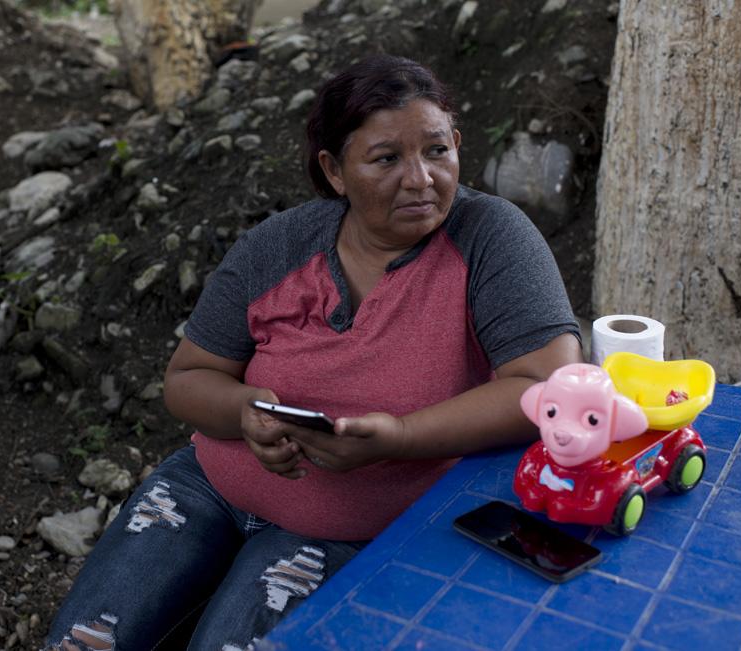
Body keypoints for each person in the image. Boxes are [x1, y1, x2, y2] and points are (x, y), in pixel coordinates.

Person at [44, 54, 582, 651]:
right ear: (334, 171)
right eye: (385, 159)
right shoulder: (278, 246)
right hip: (208, 489)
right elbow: (189, 379)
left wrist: (399, 437)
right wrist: (245, 410)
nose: (421, 179)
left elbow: (546, 389)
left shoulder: (490, 237)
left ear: (457, 144)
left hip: (348, 529)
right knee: (82, 643)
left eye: (436, 151)